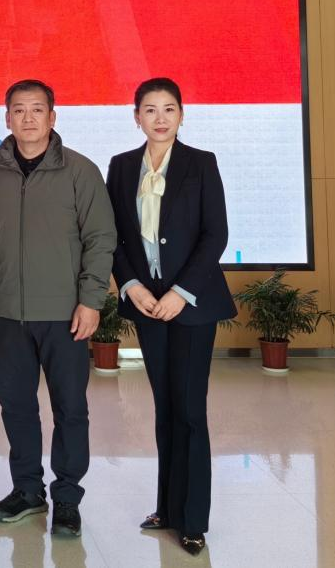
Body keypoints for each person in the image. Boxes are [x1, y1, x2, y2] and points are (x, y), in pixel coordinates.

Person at [0, 79, 116, 537]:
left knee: (70, 408)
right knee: (16, 406)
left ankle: (68, 497)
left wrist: (91, 301)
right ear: (7, 118)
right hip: (8, 315)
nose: (29, 118)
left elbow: (100, 239)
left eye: (38, 109)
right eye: (19, 110)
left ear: (53, 117)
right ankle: (27, 490)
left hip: (64, 314)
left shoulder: (80, 170)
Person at [107, 77, 236, 557]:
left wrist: (182, 293)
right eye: (150, 109)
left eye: (169, 109)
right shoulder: (122, 167)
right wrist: (131, 285)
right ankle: (166, 507)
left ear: (182, 115)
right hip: (146, 304)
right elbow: (113, 236)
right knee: (165, 408)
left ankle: (193, 519)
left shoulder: (201, 163)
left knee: (190, 411)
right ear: (136, 116)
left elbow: (215, 235)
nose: (159, 118)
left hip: (191, 305)